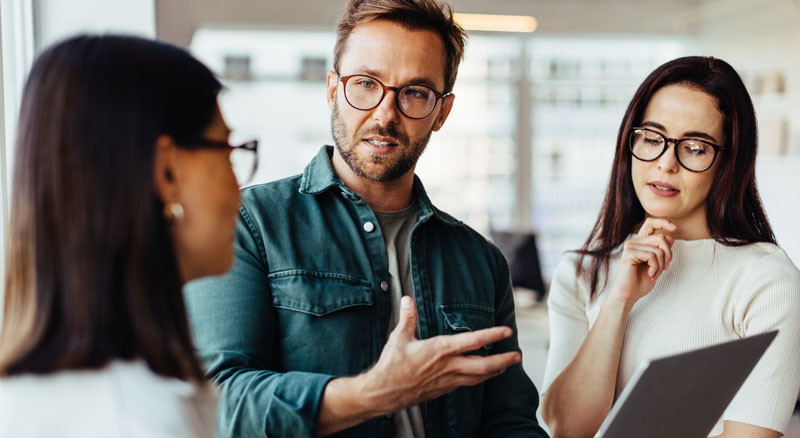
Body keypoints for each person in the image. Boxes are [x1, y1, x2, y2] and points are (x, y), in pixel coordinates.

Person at [183, 0, 549, 436]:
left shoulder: (481, 261)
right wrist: (374, 393)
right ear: (332, 89)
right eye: (365, 83)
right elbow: (215, 404)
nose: (385, 114)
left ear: (443, 112)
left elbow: (509, 422)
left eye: (414, 92)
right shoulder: (251, 224)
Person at [0, 34, 258, 437]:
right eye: (226, 150)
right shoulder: (137, 420)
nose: (238, 191)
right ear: (167, 173)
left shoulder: (30, 395)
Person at [540, 56, 800, 438]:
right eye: (651, 137)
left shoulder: (767, 280)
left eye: (695, 147)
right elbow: (566, 428)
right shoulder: (581, 271)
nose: (665, 163)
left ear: (728, 162)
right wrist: (618, 301)